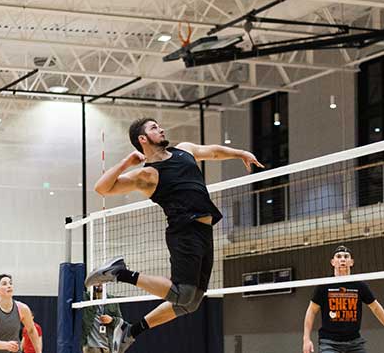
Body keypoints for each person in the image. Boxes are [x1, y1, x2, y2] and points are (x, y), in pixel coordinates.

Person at [86, 118, 263, 353]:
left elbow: (213, 151)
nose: (160, 129)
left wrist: (240, 152)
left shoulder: (184, 150)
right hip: (184, 232)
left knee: (191, 303)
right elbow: (102, 187)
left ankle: (131, 331)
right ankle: (120, 272)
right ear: (142, 139)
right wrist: (127, 162)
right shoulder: (147, 175)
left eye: (159, 125)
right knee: (183, 294)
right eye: (153, 128)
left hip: (204, 231)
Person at [302, 246, 384, 353]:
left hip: (354, 342)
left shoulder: (359, 285)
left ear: (351, 262)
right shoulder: (324, 285)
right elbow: (311, 310)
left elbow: (376, 308)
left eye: (346, 257)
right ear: (332, 262)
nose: (342, 259)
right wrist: (306, 338)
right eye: (338, 256)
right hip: (329, 342)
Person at [0, 274, 41, 353]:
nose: (9, 286)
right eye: (4, 284)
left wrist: (38, 351)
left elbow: (31, 330)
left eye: (10, 283)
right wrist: (6, 345)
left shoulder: (23, 308)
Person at [81, 285, 123, 353]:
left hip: (108, 348)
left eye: (101, 280)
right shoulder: (85, 297)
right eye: (96, 280)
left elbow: (121, 322)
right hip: (91, 348)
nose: (99, 283)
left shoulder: (112, 300)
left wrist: (112, 320)